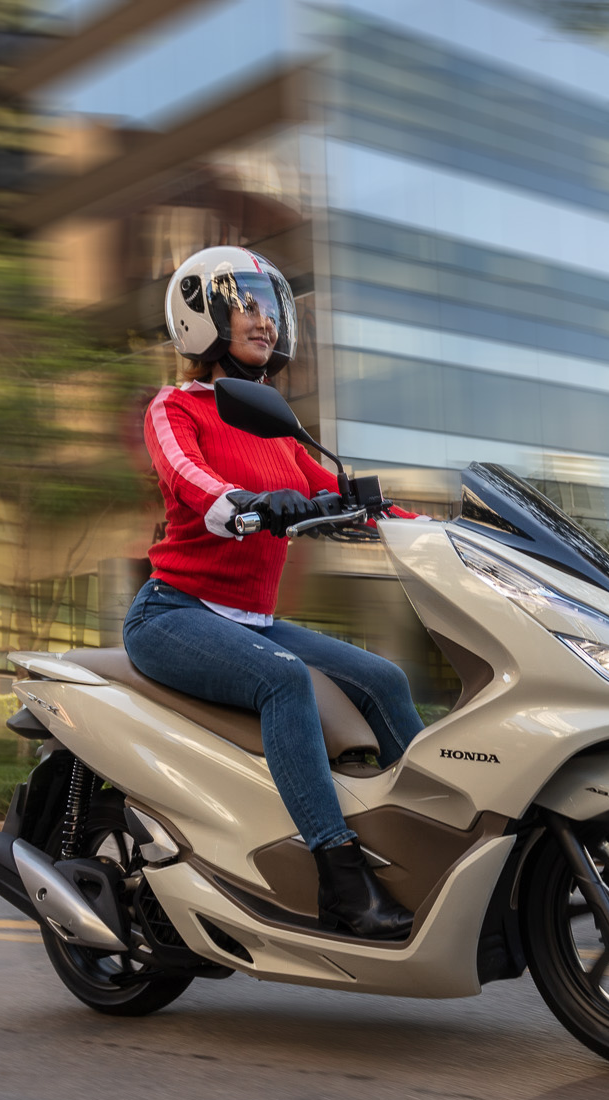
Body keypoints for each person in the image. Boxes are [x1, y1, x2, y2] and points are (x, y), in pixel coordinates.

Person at [122, 245, 424, 941]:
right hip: (173, 612)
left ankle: (435, 831)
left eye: (268, 306)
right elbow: (189, 480)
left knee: (382, 677)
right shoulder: (176, 407)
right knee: (286, 683)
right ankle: (340, 879)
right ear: (203, 319)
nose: (262, 318)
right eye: (244, 304)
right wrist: (241, 502)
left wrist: (434, 527)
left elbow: (335, 494)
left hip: (251, 619)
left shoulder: (272, 423)